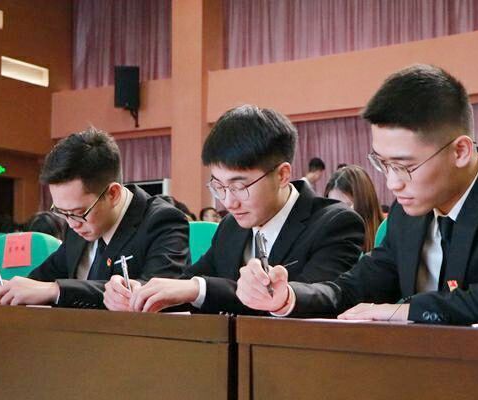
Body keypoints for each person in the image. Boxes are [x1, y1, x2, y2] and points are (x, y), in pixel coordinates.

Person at [236, 64, 478, 330]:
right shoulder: (409, 215)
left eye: (405, 166)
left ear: (460, 151)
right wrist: (289, 296)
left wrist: (404, 311)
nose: (392, 183)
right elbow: (355, 288)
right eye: (382, 163)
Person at [103, 105, 364, 314]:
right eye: (219, 186)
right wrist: (141, 293)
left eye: (239, 186)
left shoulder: (335, 223)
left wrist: (197, 289)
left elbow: (315, 301)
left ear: (282, 175)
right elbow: (187, 287)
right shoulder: (231, 227)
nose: (228, 202)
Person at [0, 127, 190, 308]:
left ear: (113, 194)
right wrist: (3, 290)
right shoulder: (76, 223)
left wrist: (56, 290)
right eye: (62, 212)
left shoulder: (163, 221)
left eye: (78, 212)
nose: (71, 223)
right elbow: (39, 282)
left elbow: (152, 294)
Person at [324, 165, 384, 252]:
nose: (337, 214)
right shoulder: (326, 242)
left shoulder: (387, 238)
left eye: (345, 207)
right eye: (332, 207)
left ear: (364, 204)